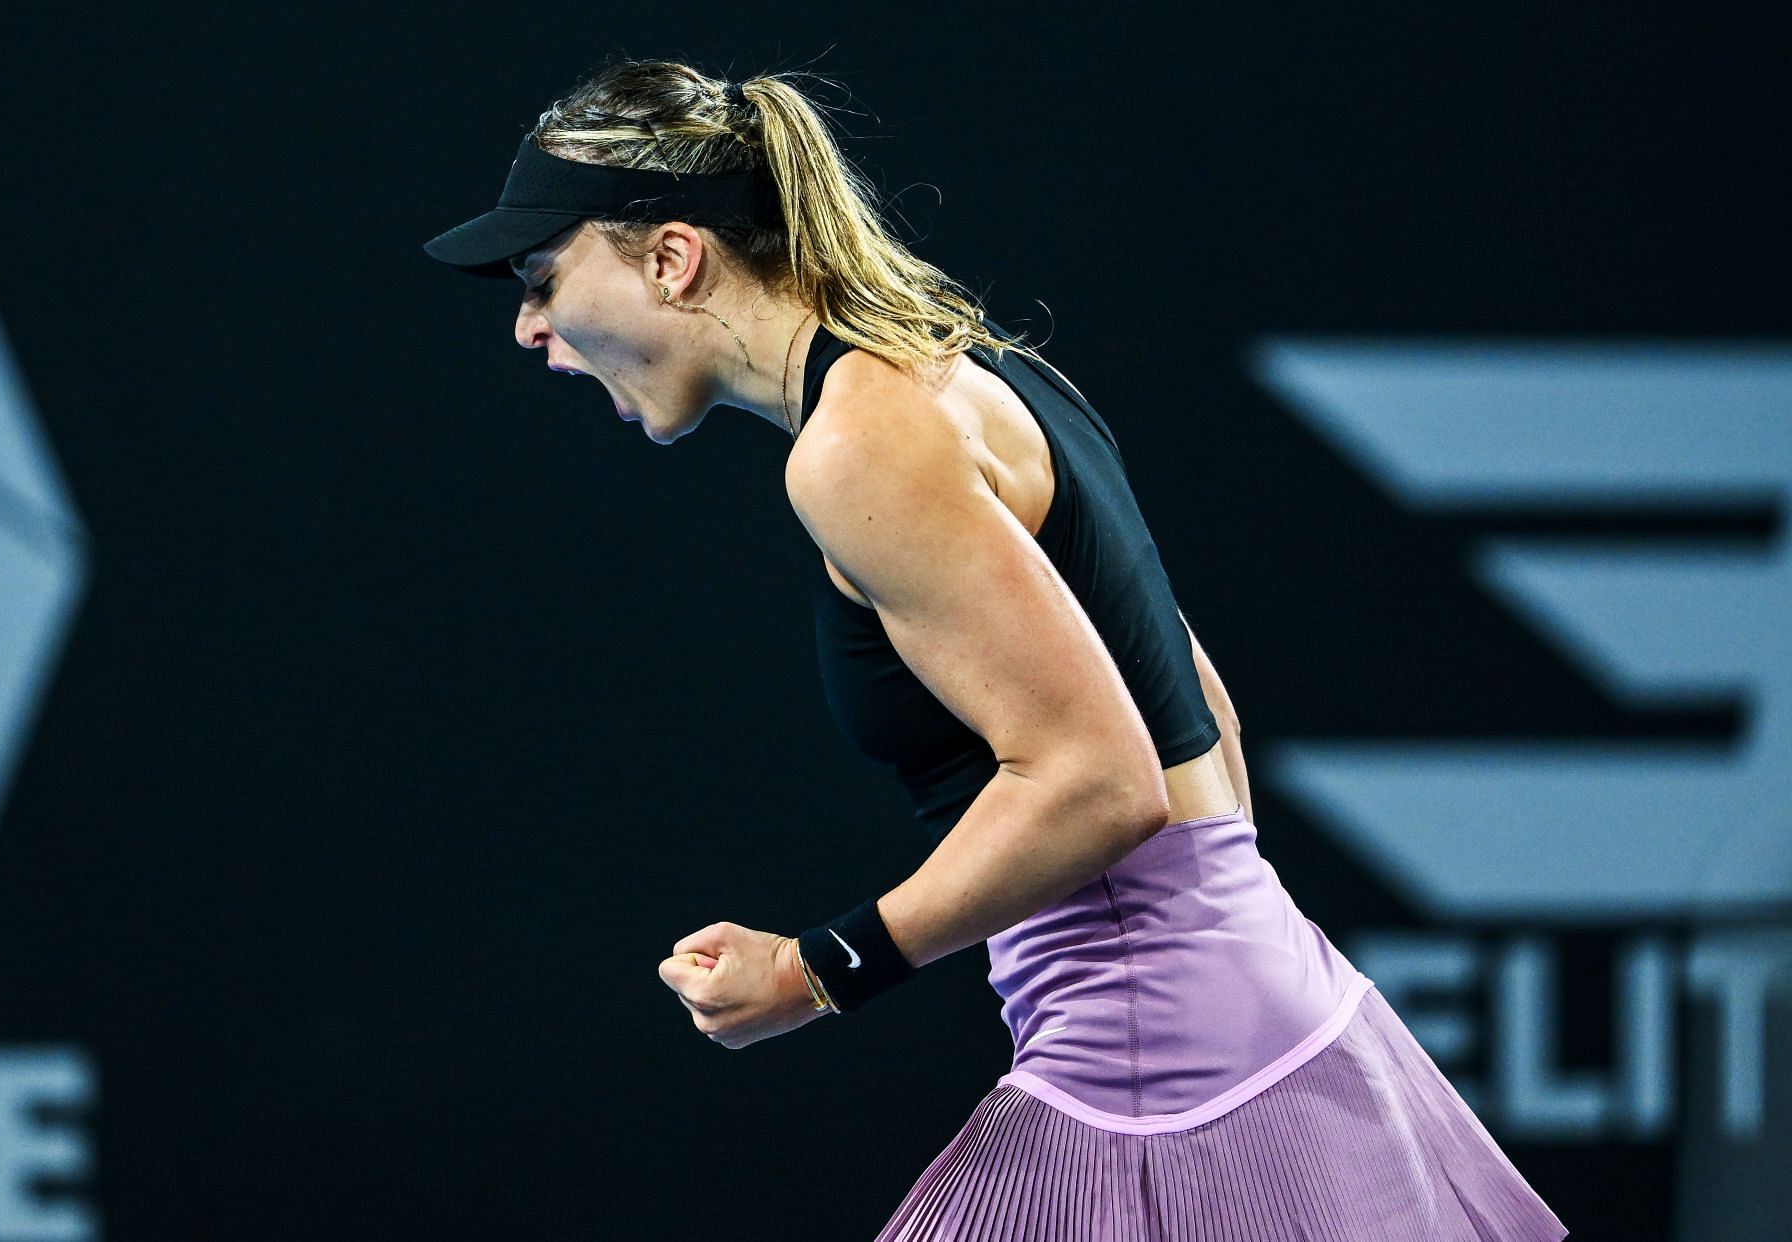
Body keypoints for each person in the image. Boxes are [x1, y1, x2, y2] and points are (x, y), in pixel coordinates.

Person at [423, 56, 1568, 1242]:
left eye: (542, 276)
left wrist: (817, 971)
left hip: (1162, 1078)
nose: (527, 326)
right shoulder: (971, 373)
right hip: (1273, 1017)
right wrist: (1201, 950)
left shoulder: (857, 446)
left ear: (671, 256)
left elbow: (1098, 779)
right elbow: (1199, 710)